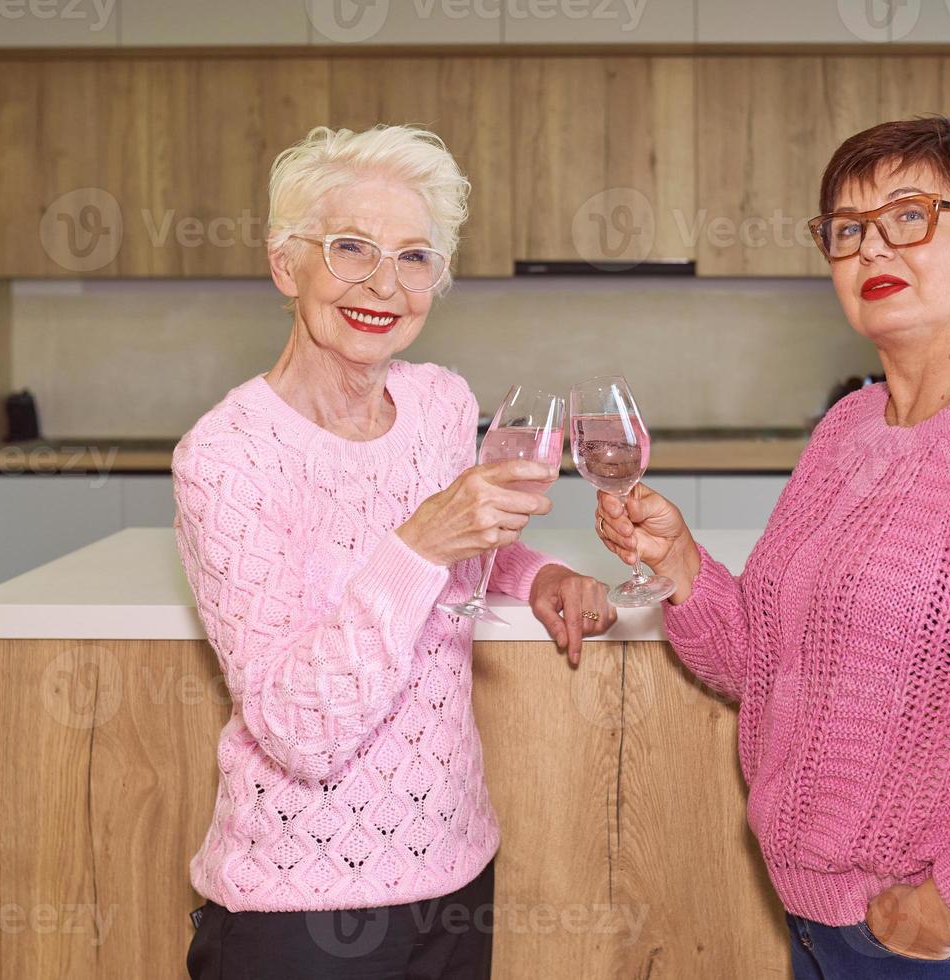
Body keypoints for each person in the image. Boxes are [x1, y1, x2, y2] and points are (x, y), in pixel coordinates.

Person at [593, 115, 950, 978]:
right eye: (846, 230)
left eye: (908, 216)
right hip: (822, 922)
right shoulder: (846, 428)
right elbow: (766, 665)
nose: (872, 249)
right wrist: (680, 565)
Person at [173, 123, 616, 979]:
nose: (384, 283)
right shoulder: (227, 456)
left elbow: (458, 561)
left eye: (414, 257)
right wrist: (419, 540)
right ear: (284, 264)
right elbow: (301, 730)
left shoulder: (441, 405)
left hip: (453, 868)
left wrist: (535, 572)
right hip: (299, 904)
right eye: (350, 248)